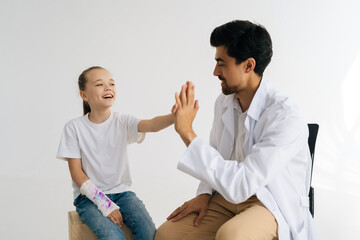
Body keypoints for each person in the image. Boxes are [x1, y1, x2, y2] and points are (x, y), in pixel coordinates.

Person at [156, 20, 318, 240]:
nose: (215, 72)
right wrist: (204, 193)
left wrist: (188, 134)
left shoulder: (285, 116)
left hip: (269, 201)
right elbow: (217, 154)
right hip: (227, 197)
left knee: (232, 235)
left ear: (248, 65)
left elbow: (242, 184)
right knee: (168, 234)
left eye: (221, 63)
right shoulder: (224, 103)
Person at [57, 66, 174, 240]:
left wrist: (175, 116)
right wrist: (104, 203)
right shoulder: (73, 128)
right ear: (84, 95)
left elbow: (151, 125)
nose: (108, 87)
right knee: (113, 237)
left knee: (149, 234)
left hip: (122, 193)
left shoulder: (122, 121)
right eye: (99, 84)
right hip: (88, 199)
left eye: (112, 83)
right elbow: (76, 173)